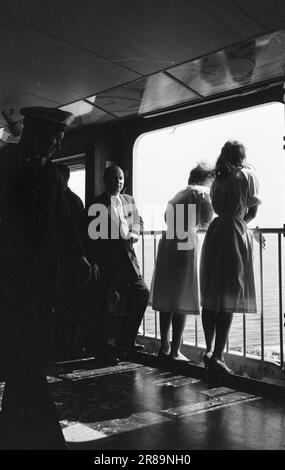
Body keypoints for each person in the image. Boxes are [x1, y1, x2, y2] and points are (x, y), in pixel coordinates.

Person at [0, 106, 91, 449]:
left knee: (28, 358)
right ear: (37, 132)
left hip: (41, 283)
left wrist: (78, 257)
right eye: (55, 137)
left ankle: (16, 430)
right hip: (11, 279)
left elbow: (61, 225)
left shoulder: (51, 174)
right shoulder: (6, 163)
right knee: (27, 358)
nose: (57, 145)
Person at [200, 140, 261, 375]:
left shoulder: (218, 179)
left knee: (212, 293)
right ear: (242, 156)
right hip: (234, 231)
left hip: (215, 232)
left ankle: (208, 350)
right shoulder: (246, 175)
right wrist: (240, 223)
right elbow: (253, 210)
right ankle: (218, 354)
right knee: (230, 293)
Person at [150, 163, 214, 361]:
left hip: (167, 244)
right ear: (206, 179)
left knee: (167, 298)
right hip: (185, 246)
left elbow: (166, 217)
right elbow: (206, 221)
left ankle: (164, 347)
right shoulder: (202, 193)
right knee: (181, 297)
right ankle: (176, 350)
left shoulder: (178, 194)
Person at [88, 165, 149, 364]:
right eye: (114, 178)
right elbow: (90, 237)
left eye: (121, 178)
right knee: (105, 305)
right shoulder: (95, 204)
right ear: (106, 180)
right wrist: (94, 262)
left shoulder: (129, 200)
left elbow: (138, 221)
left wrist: (135, 232)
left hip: (128, 260)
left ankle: (125, 342)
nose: (118, 182)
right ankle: (103, 350)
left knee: (142, 293)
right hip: (107, 262)